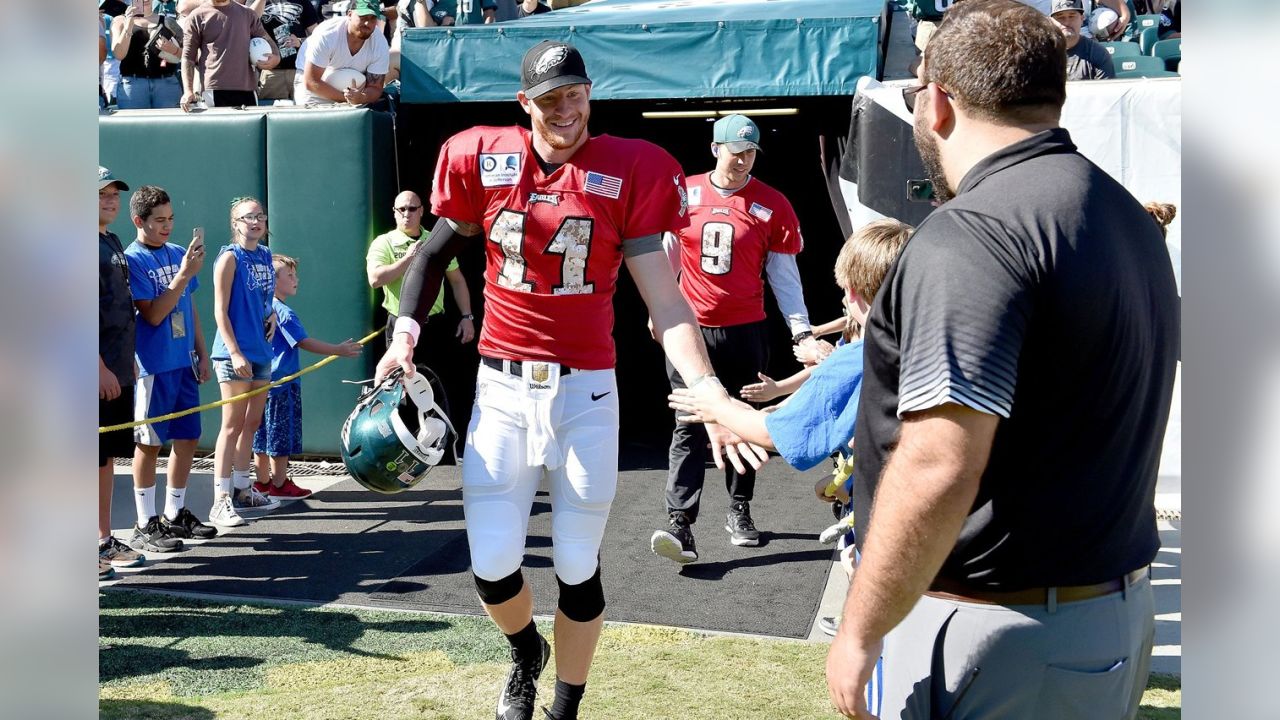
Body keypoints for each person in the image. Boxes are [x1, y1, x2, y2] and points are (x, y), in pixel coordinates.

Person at [373, 40, 762, 720]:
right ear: (526, 103)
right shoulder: (480, 157)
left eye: (575, 95)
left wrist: (706, 388)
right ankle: (525, 650)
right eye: (550, 98)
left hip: (586, 392)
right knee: (493, 567)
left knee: (577, 567)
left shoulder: (632, 167)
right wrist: (404, 334)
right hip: (500, 389)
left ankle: (563, 706)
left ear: (590, 95)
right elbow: (432, 253)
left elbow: (666, 300)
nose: (565, 110)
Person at [825, 2, 1180, 718]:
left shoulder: (976, 235)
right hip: (1098, 616)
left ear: (939, 101)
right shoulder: (1122, 216)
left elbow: (940, 460)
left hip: (997, 631)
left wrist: (860, 628)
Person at [668, 218, 912, 637]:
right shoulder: (930, 343)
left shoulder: (860, 356)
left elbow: (781, 434)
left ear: (853, 296)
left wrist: (717, 405)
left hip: (889, 526)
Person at [649, 113, 817, 563]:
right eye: (735, 150)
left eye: (750, 152)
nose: (742, 160)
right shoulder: (684, 193)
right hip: (691, 329)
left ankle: (739, 508)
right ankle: (679, 523)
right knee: (690, 423)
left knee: (743, 419)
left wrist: (800, 329)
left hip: (746, 329)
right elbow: (664, 256)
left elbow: (785, 276)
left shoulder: (772, 203)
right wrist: (658, 309)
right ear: (714, 148)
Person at [124, 185, 219, 552]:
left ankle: (173, 513)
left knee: (188, 437)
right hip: (154, 365)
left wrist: (200, 350)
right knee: (149, 443)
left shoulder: (179, 252)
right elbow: (154, 313)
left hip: (183, 362)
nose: (167, 226)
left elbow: (188, 306)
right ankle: (145, 523)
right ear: (139, 221)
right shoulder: (134, 260)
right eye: (159, 221)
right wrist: (182, 275)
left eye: (171, 219)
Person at [252, 254, 362, 498]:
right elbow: (302, 341)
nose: (296, 280)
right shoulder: (284, 313)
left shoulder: (259, 306)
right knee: (279, 435)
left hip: (260, 382)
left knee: (259, 432)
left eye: (295, 275)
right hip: (282, 384)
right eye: (289, 276)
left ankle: (261, 482)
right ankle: (279, 484)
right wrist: (337, 349)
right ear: (272, 280)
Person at [208, 196, 283, 528]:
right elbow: (219, 311)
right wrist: (235, 352)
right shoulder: (229, 258)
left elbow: (266, 300)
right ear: (234, 223)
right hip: (233, 355)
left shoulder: (266, 255)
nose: (255, 222)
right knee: (231, 424)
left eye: (260, 216)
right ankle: (220, 499)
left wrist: (273, 319)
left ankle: (242, 488)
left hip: (261, 352)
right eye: (248, 217)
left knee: (252, 423)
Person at [99, 167, 146, 580]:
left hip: (117, 364)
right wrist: (96, 367)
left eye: (114, 195)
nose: (110, 201)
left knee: (105, 457)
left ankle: (101, 537)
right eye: (101, 195)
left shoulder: (110, 240)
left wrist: (123, 359)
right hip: (91, 372)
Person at [367, 190, 476, 357]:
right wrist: (409, 259)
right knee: (402, 378)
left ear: (421, 211)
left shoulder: (436, 239)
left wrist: (467, 316)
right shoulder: (384, 242)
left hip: (434, 324)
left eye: (411, 208)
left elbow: (457, 280)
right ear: (394, 212)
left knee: (435, 378)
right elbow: (375, 279)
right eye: (401, 209)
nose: (406, 214)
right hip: (401, 324)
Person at [180, 0, 280, 111]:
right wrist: (188, 90)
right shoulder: (196, 16)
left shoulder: (247, 14)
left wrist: (275, 57)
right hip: (214, 90)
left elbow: (267, 40)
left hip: (247, 90)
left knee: (249, 129)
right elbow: (188, 57)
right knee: (218, 128)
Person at [295, 0, 390, 106]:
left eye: (373, 18)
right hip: (313, 84)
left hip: (353, 90)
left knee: (350, 80)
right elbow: (311, 82)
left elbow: (375, 87)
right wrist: (348, 99)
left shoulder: (379, 42)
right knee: (313, 120)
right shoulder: (327, 35)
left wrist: (361, 98)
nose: (368, 23)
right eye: (363, 17)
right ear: (349, 14)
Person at [111, 0, 185, 109]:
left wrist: (173, 50)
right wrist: (128, 25)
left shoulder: (168, 22)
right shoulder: (119, 21)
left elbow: (189, 54)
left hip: (166, 84)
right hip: (133, 85)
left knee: (169, 125)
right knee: (133, 125)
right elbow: (119, 54)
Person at [248, 0, 320, 102]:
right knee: (271, 111)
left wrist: (300, 41)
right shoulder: (254, 2)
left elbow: (318, 36)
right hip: (271, 72)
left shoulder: (304, 2)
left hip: (300, 71)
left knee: (304, 112)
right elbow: (248, 20)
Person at [1050, 0, 1116, 80]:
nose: (1067, 22)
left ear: (1082, 19)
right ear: (1051, 21)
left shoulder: (1097, 53)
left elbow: (1105, 90)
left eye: (1072, 16)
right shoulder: (1042, 53)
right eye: (1060, 17)